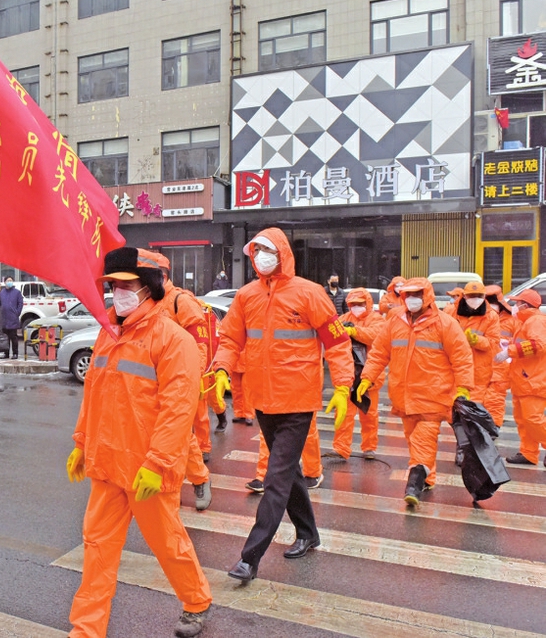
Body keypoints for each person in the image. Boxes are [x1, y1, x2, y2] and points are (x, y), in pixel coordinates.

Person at [66, 247, 212, 638]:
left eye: (126, 285)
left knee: (168, 544)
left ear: (147, 288)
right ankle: (86, 630)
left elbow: (178, 410)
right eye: (113, 286)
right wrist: (82, 442)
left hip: (147, 468)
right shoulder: (108, 332)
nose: (118, 293)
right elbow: (94, 394)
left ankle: (196, 601)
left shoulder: (172, 340)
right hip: (107, 464)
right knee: (96, 548)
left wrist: (159, 463)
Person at [209, 228, 353, 582]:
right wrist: (223, 368)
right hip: (263, 400)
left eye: (267, 249)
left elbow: (336, 342)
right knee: (289, 474)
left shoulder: (309, 293)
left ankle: (250, 557)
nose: (260, 256)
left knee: (275, 477)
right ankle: (308, 532)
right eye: (256, 250)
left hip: (298, 400)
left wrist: (343, 386)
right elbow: (229, 338)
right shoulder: (246, 296)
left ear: (283, 253)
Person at [358, 278, 473, 506]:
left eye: (417, 294)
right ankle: (428, 477)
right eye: (408, 294)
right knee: (414, 440)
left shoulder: (445, 324)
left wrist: (463, 388)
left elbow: (462, 358)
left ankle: (414, 483)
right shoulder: (395, 321)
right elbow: (380, 352)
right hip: (404, 397)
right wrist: (367, 377)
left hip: (434, 397)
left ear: (427, 296)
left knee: (422, 441)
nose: (412, 299)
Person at [150, 251, 214, 511]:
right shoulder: (148, 301)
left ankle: (199, 479)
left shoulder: (180, 301)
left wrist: (193, 376)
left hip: (177, 379)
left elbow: (200, 341)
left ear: (162, 277)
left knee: (180, 435)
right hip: (151, 381)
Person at [330, 288, 386, 460]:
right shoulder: (344, 319)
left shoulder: (376, 319)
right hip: (348, 374)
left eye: (360, 304)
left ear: (367, 303)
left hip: (369, 376)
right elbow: (331, 334)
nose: (356, 307)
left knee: (369, 414)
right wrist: (341, 331)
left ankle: (369, 447)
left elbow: (375, 336)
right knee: (344, 413)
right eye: (353, 304)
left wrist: (354, 331)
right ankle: (340, 448)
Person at [498, 289, 546, 466]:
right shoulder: (527, 322)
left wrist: (509, 351)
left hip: (533, 380)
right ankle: (528, 453)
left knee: (532, 419)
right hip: (525, 379)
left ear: (525, 305)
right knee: (524, 421)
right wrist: (508, 346)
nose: (514, 306)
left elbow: (539, 345)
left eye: (517, 303)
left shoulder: (536, 321)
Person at [449, 282, 499, 409]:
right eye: (472, 296)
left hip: (478, 370)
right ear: (464, 296)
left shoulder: (491, 316)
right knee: (452, 408)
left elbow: (493, 343)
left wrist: (476, 340)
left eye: (479, 296)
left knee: (473, 408)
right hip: (454, 367)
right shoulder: (452, 312)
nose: (475, 299)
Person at [484, 285, 518, 428]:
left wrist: (507, 347)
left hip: (500, 371)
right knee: (480, 405)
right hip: (481, 369)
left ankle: (492, 434)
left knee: (494, 403)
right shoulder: (480, 318)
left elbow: (521, 342)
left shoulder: (512, 320)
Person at [0, 276, 24, 359]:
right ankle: (6, 353)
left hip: (13, 318)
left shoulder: (17, 292)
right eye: (8, 280)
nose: (9, 282)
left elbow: (20, 303)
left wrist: (17, 312)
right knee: (5, 338)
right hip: (4, 318)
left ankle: (15, 353)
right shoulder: (2, 292)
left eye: (11, 280)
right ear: (5, 282)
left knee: (13, 337)